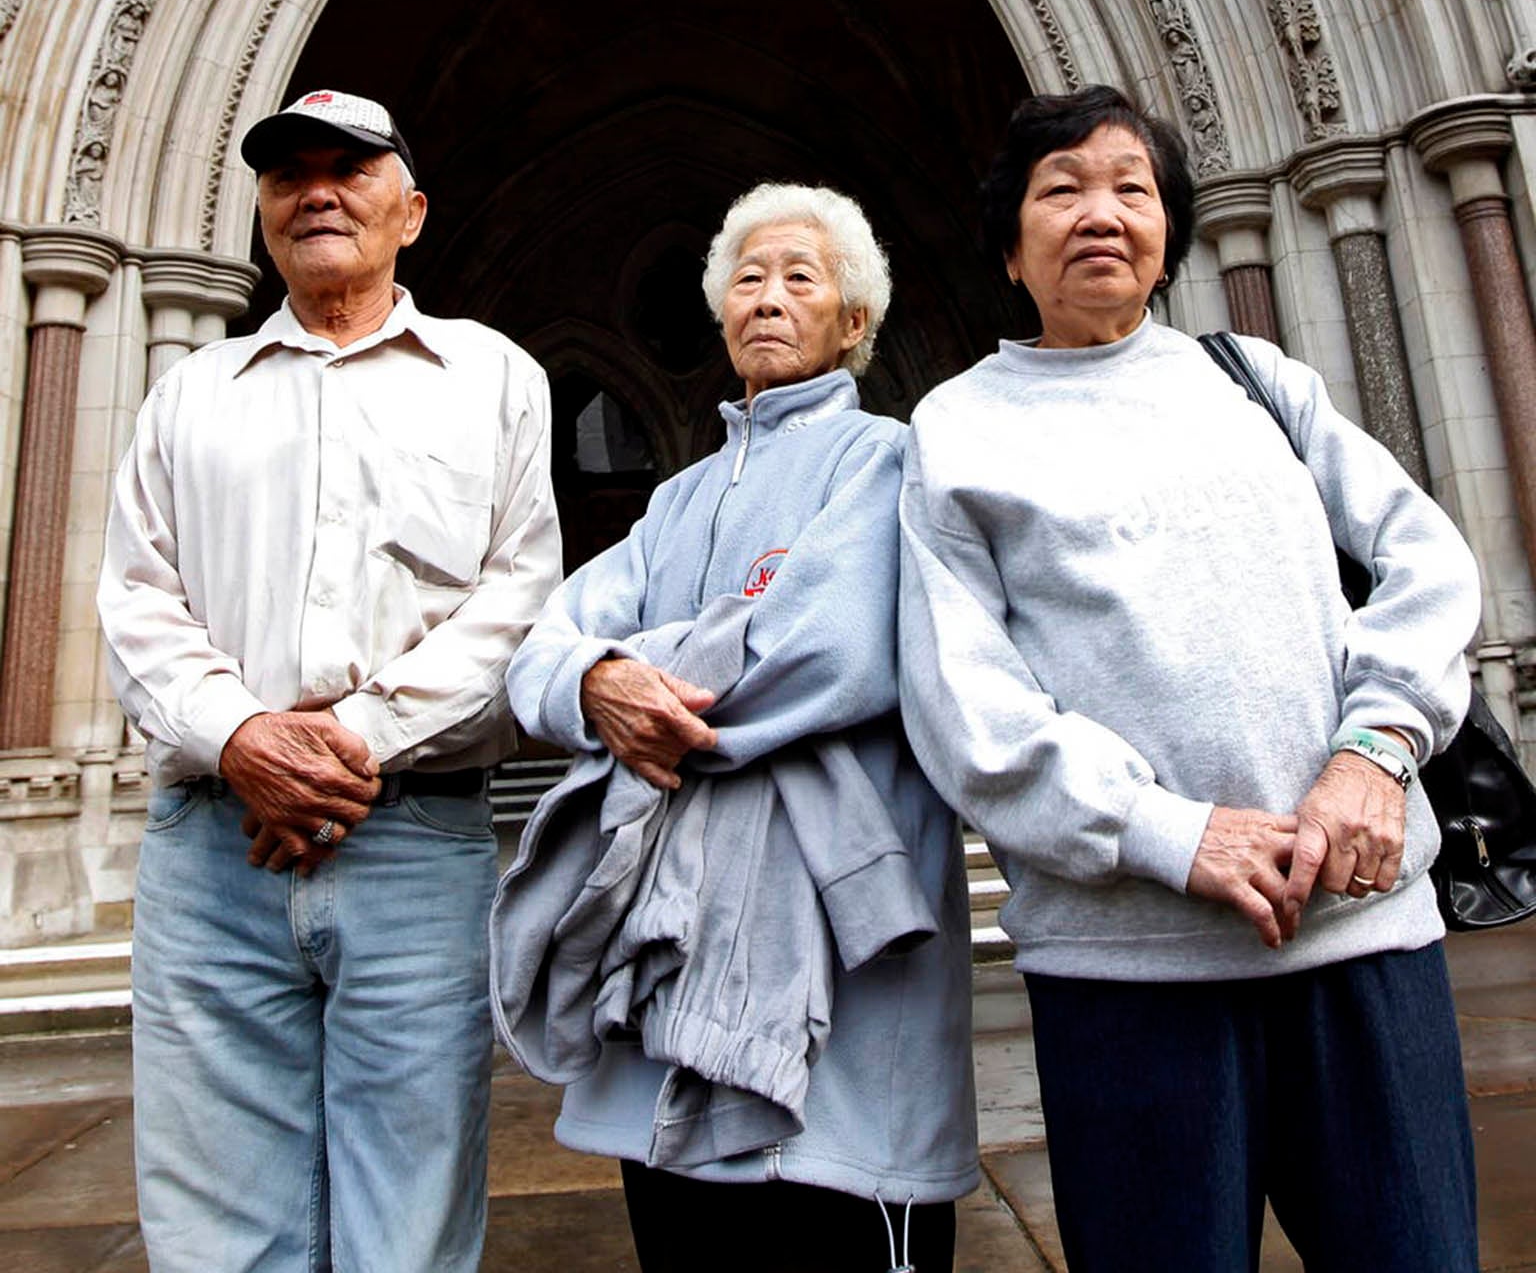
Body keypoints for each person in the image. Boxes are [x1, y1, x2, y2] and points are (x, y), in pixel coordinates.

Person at [898, 84, 1483, 1273]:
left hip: (1363, 941)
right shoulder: (957, 428)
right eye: (1061, 188)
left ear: (1170, 230)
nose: (1101, 210)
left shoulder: (1257, 378)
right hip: (1128, 974)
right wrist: (1174, 833)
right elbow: (969, 704)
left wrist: (1375, 749)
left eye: (1131, 184)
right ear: (1011, 249)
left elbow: (1426, 555)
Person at [97, 87, 561, 1273]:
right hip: (212, 846)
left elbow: (516, 598)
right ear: (260, 213)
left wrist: (342, 737)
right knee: (216, 1225)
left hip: (411, 844)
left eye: (348, 169)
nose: (316, 190)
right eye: (287, 172)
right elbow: (137, 601)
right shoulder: (188, 394)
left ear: (409, 209)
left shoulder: (493, 377)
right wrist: (243, 734)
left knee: (407, 1218)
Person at [496, 183, 978, 1273]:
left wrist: (629, 674)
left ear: (854, 322)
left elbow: (826, 651)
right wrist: (591, 677)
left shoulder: (892, 463)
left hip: (846, 1001)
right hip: (657, 1008)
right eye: (748, 278)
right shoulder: (672, 501)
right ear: (720, 315)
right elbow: (539, 652)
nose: (768, 296)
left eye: (800, 276)